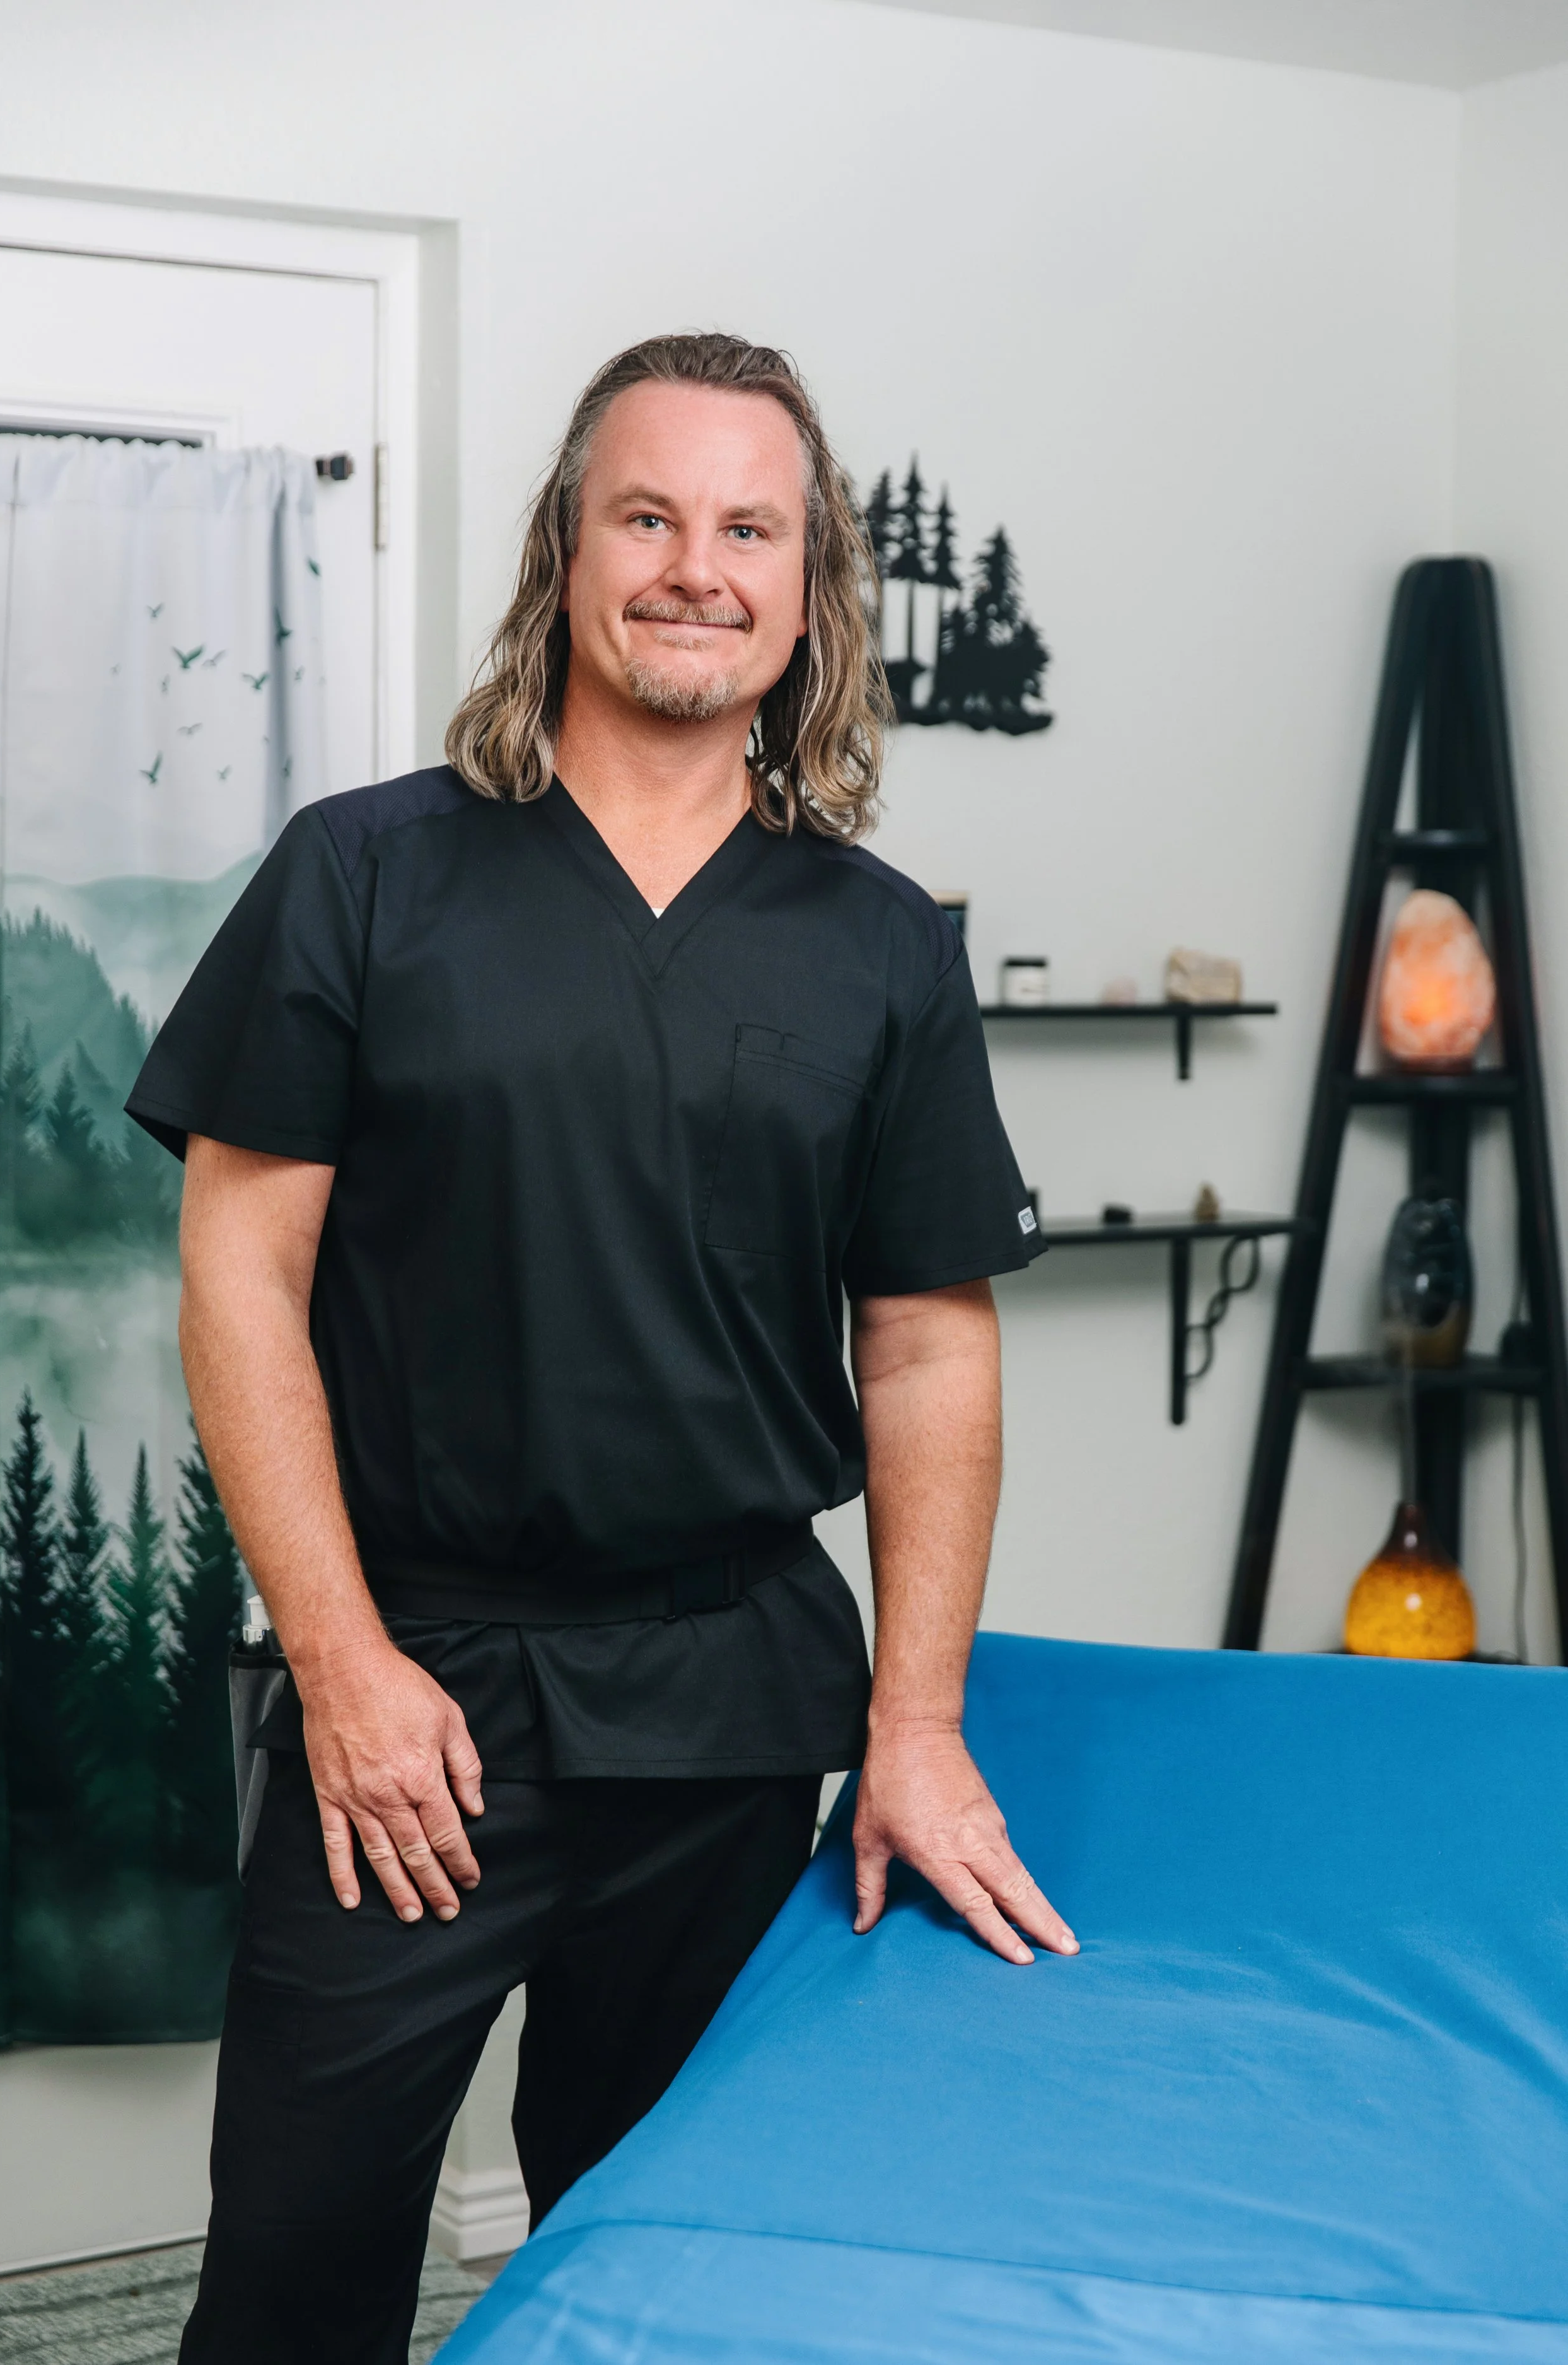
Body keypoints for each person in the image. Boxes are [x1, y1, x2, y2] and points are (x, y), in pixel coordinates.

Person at [126, 330, 1076, 2365]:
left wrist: (908, 1727)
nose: (696, 566)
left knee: (669, 2270)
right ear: (567, 546)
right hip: (415, 1704)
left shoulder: (878, 939)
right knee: (292, 2277)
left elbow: (924, 1348)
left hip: (727, 1708)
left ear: (807, 592)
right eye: (647, 514)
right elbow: (236, 1274)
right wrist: (340, 1659)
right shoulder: (365, 875)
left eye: (752, 528)